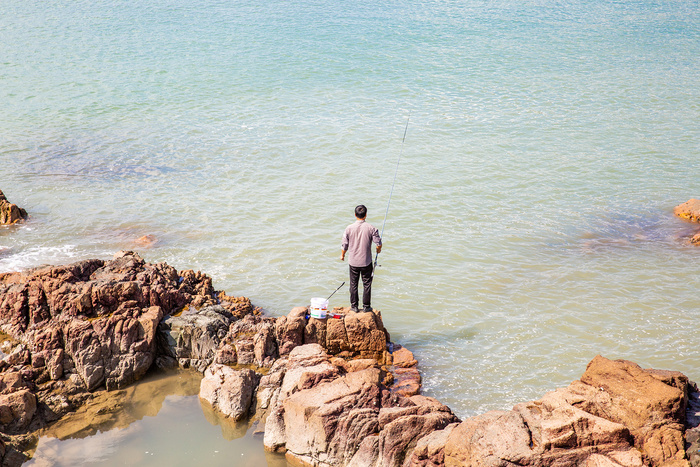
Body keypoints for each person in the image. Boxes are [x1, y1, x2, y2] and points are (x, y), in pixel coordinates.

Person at [340, 205, 382, 312]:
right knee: (367, 284)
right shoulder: (372, 228)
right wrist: (378, 250)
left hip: (353, 262)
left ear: (355, 215)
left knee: (353, 284)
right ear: (366, 215)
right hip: (366, 262)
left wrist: (342, 255)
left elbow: (344, 245)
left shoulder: (348, 228)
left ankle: (354, 307)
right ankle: (366, 307)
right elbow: (378, 243)